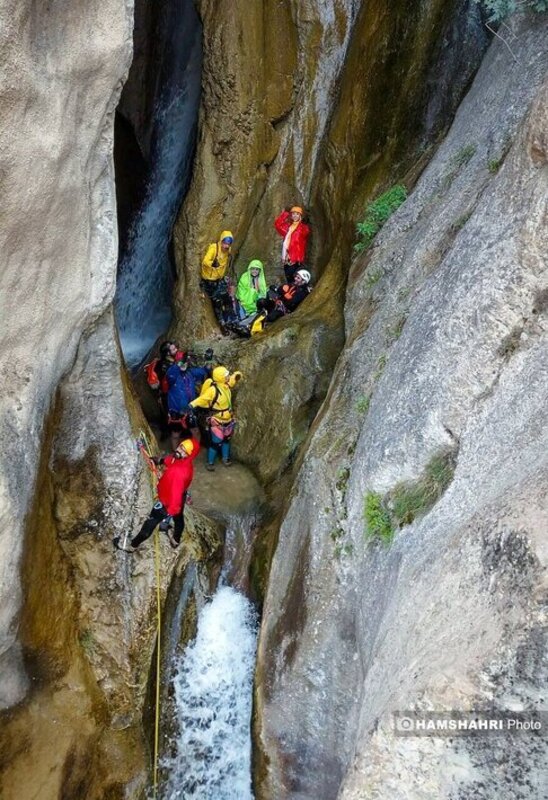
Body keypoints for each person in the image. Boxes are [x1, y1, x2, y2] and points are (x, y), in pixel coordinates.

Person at [114, 438, 199, 552]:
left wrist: (170, 510)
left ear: (188, 455)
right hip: (180, 497)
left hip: (167, 502)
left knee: (149, 524)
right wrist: (160, 460)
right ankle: (175, 540)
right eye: (180, 447)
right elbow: (171, 460)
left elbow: (175, 493)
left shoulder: (178, 473)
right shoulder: (184, 462)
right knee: (179, 519)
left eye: (184, 450)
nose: (179, 450)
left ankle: (132, 546)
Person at [189, 365, 242, 471]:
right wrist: (191, 405)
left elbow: (231, 381)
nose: (228, 376)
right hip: (217, 419)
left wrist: (237, 375)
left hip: (227, 419)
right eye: (226, 375)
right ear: (221, 377)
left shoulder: (225, 385)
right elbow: (203, 399)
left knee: (226, 440)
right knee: (216, 442)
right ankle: (210, 462)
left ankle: (225, 458)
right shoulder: (213, 390)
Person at [166, 355, 210, 451]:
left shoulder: (190, 373)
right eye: (181, 363)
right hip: (176, 411)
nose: (183, 365)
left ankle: (194, 451)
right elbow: (171, 373)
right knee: (175, 434)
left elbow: (203, 371)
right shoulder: (173, 377)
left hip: (189, 409)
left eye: (185, 363)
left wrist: (208, 362)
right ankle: (176, 453)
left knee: (196, 431)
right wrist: (179, 363)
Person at [201, 231, 239, 330]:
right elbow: (205, 261)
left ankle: (233, 319)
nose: (226, 246)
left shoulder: (228, 250)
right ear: (221, 241)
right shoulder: (214, 248)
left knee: (227, 298)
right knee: (217, 302)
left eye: (228, 244)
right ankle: (222, 324)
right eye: (225, 243)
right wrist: (213, 263)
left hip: (219, 279)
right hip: (210, 280)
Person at [274, 206, 310, 282]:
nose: (295, 215)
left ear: (300, 215)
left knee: (294, 277)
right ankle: (290, 292)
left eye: (297, 214)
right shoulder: (288, 227)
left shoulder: (303, 228)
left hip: (296, 258)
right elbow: (278, 224)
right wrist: (285, 214)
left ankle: (294, 292)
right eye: (293, 214)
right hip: (287, 257)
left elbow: (305, 233)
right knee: (288, 276)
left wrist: (302, 222)